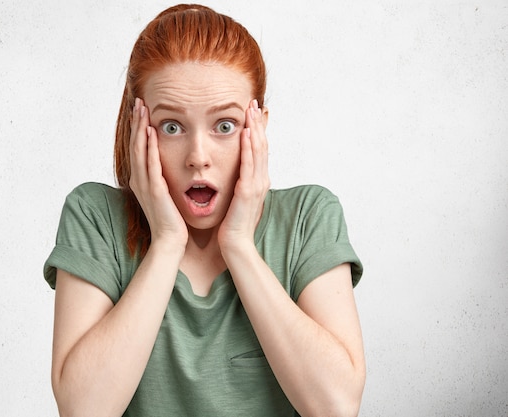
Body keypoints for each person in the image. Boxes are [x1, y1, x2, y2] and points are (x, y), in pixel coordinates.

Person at [44, 4, 365, 416]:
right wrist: (166, 242)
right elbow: (83, 410)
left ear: (259, 128)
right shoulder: (94, 217)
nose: (198, 156)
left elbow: (336, 407)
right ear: (136, 128)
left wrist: (239, 247)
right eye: (171, 127)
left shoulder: (309, 217)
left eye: (225, 126)